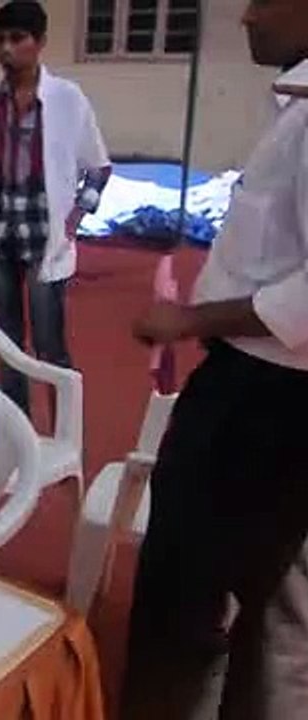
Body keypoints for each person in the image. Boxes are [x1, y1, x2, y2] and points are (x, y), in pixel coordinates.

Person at [122, 3, 308, 718]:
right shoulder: (291, 100)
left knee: (195, 590)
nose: (247, 16)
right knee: (264, 596)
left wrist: (189, 319)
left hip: (269, 398)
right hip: (253, 386)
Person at [0, 1, 111, 417]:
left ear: (40, 42)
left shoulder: (67, 98)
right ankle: (19, 434)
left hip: (44, 229)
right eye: (0, 40)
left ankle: (65, 433)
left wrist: (74, 221)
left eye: (17, 39)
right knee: (6, 341)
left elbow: (98, 167)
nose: (7, 49)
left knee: (49, 344)